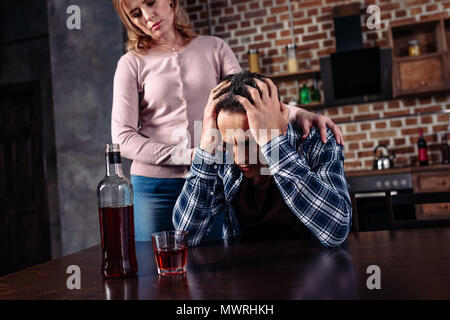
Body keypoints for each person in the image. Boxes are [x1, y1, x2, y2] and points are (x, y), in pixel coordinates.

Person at [111, 0, 345, 241]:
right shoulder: (131, 64)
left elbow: (246, 96)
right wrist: (192, 155)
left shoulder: (214, 47)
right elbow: (123, 137)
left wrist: (299, 113)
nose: (148, 16)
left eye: (151, 2)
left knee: (212, 259)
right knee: (159, 261)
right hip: (155, 184)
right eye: (136, 14)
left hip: (215, 169)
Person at [173, 71, 352, 248]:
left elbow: (336, 232)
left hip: (316, 268)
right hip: (246, 271)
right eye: (229, 143)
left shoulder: (316, 139)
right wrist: (205, 150)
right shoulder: (222, 153)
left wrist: (274, 145)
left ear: (274, 123)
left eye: (249, 142)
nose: (238, 158)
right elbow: (187, 236)